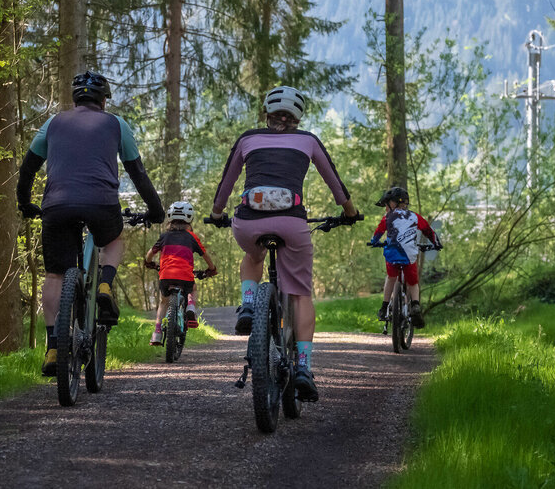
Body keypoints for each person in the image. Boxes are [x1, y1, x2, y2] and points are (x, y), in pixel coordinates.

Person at [209, 85, 359, 402]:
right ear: (296, 118)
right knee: (301, 294)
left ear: (266, 114)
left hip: (249, 221)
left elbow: (226, 183)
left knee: (253, 254)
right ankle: (303, 367)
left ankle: (249, 304)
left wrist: (217, 212)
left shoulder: (248, 139)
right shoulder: (308, 140)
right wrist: (349, 212)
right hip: (292, 223)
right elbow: (336, 183)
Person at [16, 71, 165, 376]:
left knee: (55, 274)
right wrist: (156, 210)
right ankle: (106, 285)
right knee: (112, 241)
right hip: (101, 203)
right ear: (104, 100)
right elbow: (137, 173)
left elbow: (28, 169)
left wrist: (24, 202)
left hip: (56, 205)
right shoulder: (115, 124)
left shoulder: (53, 123)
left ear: (75, 99)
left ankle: (54, 347)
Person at [143, 201, 217, 346]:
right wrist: (212, 269)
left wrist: (149, 263)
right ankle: (190, 305)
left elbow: (150, 254)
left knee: (163, 302)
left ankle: (157, 333)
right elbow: (206, 256)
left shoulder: (164, 236)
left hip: (165, 275)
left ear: (170, 218)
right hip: (185, 276)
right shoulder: (192, 237)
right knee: (193, 289)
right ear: (190, 219)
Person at [369, 186, 441, 329]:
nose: (385, 209)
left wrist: (374, 242)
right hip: (409, 257)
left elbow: (378, 233)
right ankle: (415, 305)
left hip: (392, 256)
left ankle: (384, 307)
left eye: (386, 205)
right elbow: (428, 230)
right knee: (413, 283)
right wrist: (436, 244)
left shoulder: (387, 217)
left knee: (391, 278)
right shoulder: (415, 217)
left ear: (393, 203)